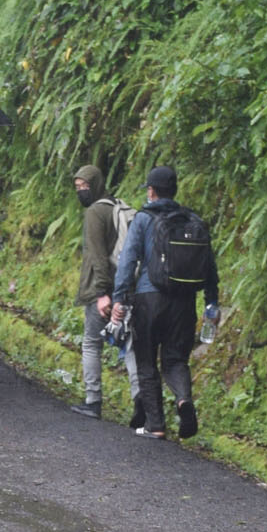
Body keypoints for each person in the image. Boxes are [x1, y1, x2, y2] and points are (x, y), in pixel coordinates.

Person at [108, 165, 221, 440]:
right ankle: (183, 400)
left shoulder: (144, 219)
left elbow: (128, 260)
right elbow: (210, 267)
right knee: (175, 360)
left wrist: (119, 298)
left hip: (149, 300)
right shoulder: (191, 220)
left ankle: (155, 425)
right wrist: (211, 303)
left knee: (146, 362)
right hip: (184, 304)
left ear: (151, 191)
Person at [70, 163, 138, 422]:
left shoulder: (95, 213)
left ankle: (93, 400)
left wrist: (101, 293)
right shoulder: (117, 207)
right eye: (77, 187)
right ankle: (140, 403)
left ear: (95, 184)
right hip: (125, 288)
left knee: (91, 343)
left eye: (85, 186)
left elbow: (98, 256)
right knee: (130, 346)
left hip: (103, 291)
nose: (81, 191)